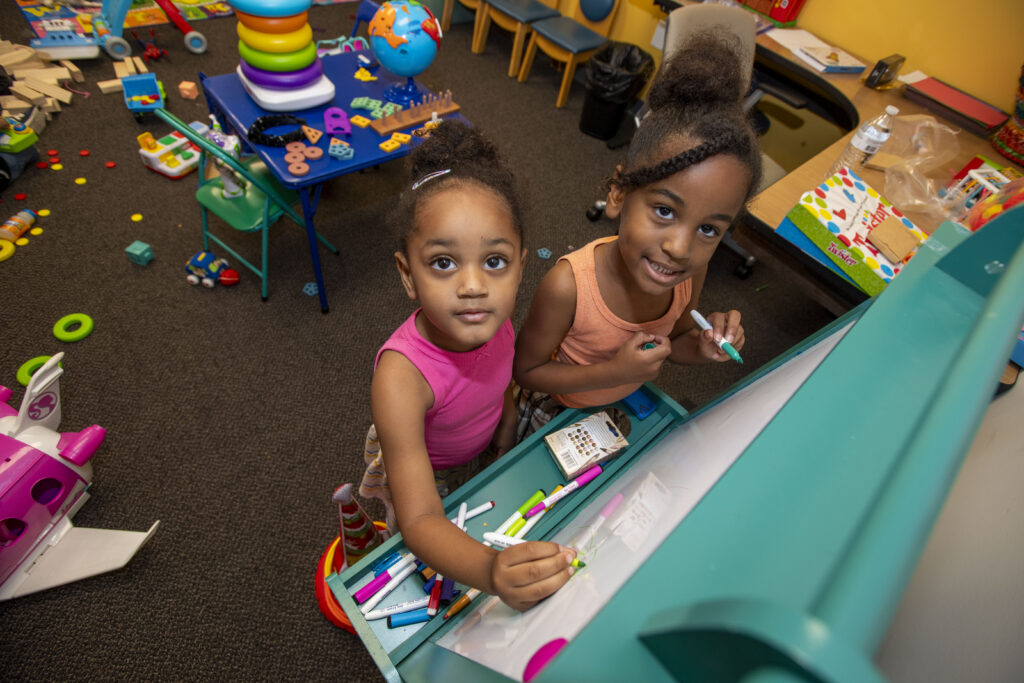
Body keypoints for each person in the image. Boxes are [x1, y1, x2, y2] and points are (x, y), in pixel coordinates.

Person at [359, 121, 578, 611]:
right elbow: (420, 522)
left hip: (479, 445)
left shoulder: (491, 318)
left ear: (521, 265)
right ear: (407, 275)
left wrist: (503, 425)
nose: (474, 285)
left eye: (495, 262)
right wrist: (489, 571)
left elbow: (499, 378)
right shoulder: (400, 378)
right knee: (432, 558)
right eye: (443, 263)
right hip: (426, 472)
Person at [513, 34, 763, 435]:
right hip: (557, 408)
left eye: (708, 229)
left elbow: (677, 342)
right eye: (664, 211)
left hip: (617, 403)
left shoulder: (688, 274)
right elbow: (526, 371)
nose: (680, 249)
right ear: (618, 193)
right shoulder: (568, 286)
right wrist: (614, 371)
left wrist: (700, 346)